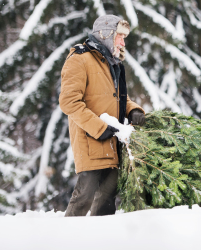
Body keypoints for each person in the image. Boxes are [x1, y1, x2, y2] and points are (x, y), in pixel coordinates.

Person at [59, 15, 146, 216]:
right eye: (120, 37)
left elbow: (118, 99)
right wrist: (99, 128)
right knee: (84, 198)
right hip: (90, 141)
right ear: (106, 35)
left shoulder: (112, 63)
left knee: (107, 203)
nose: (123, 42)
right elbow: (69, 102)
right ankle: (63, 239)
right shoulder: (79, 59)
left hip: (112, 142)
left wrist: (133, 110)